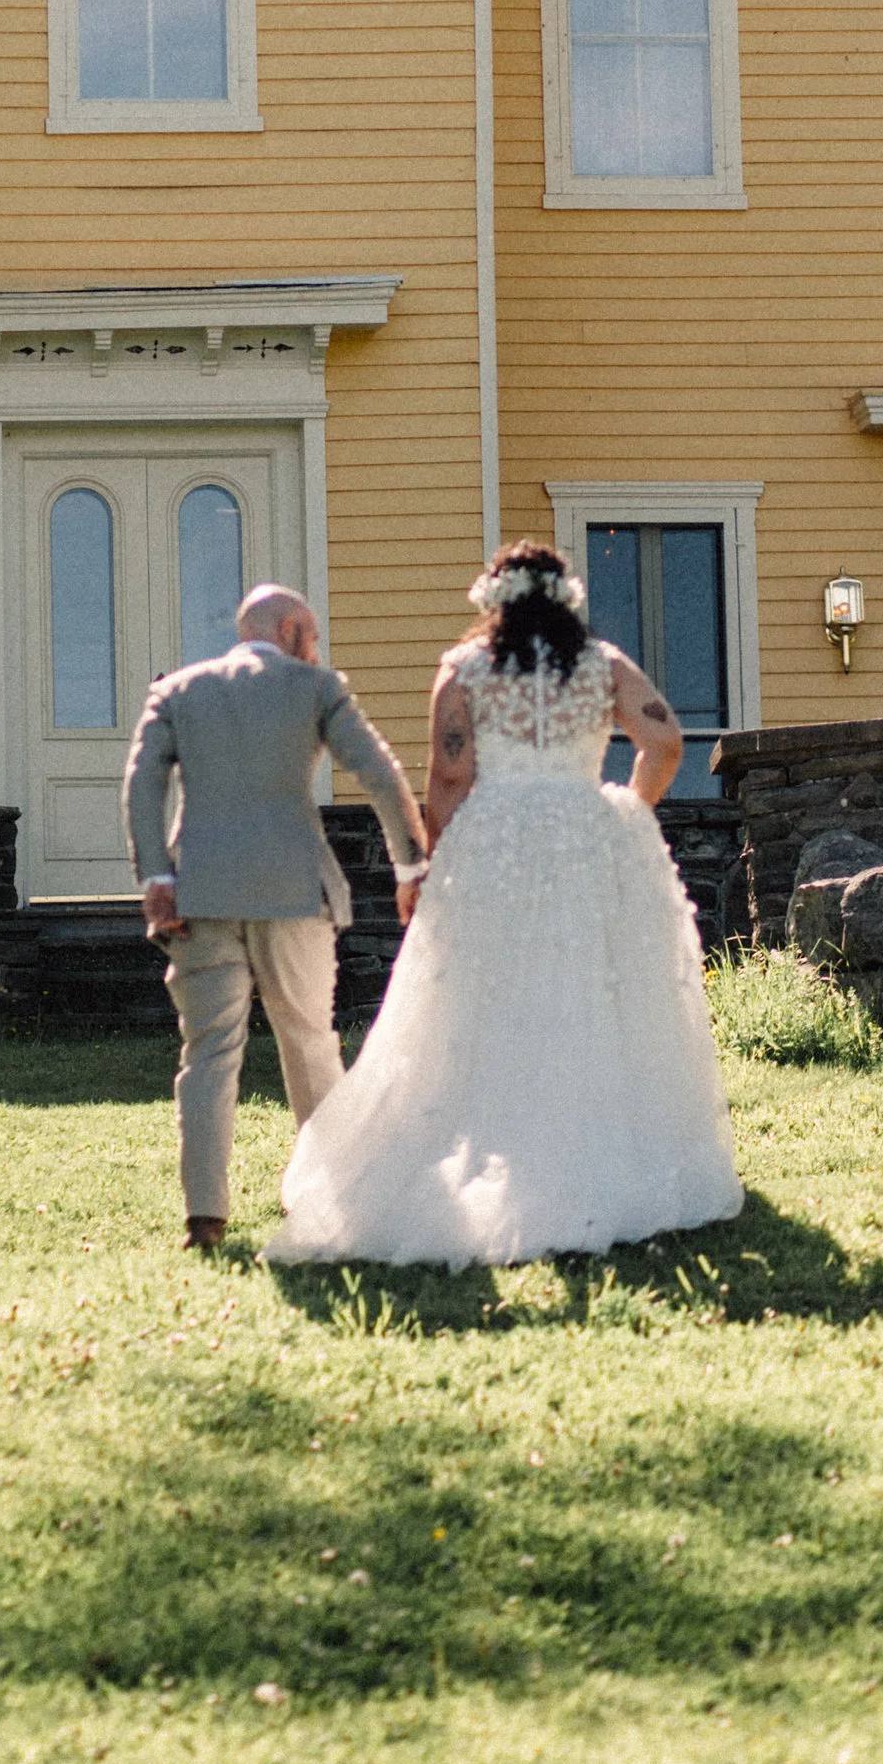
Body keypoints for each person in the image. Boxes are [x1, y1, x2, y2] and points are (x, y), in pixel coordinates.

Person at [264, 539, 743, 1267]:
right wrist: (627, 810)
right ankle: (593, 1154)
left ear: (493, 602)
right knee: (594, 995)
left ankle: (487, 1148)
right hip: (588, 839)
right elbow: (666, 739)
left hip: (496, 845)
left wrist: (424, 868)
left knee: (479, 1001)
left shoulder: (464, 671)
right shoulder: (604, 664)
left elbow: (450, 777)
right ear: (567, 601)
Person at [121, 583, 427, 1252]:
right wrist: (410, 867)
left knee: (207, 1054)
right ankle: (335, 1203)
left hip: (199, 894)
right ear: (289, 631)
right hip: (294, 894)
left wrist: (156, 877)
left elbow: (142, 781)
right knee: (311, 1042)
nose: (315, 649)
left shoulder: (178, 692)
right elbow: (379, 772)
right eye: (312, 635)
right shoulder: (315, 688)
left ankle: (205, 1219)